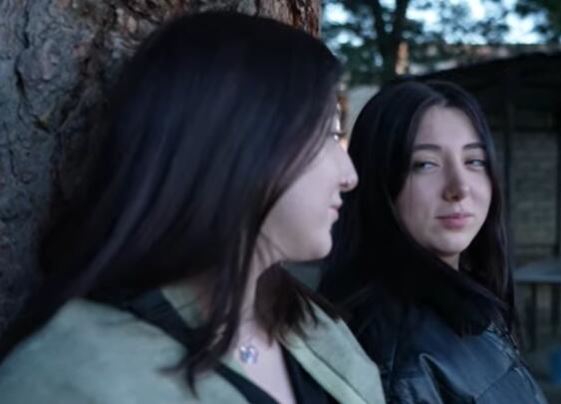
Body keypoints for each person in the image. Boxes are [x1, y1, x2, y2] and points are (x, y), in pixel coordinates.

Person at [0, 12, 385, 404]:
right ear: (238, 142)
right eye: (327, 134)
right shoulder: (73, 376)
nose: (350, 175)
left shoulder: (315, 326)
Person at [321, 80, 547, 403]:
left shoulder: (466, 300)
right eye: (426, 164)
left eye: (474, 161)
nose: (459, 188)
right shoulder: (397, 357)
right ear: (377, 180)